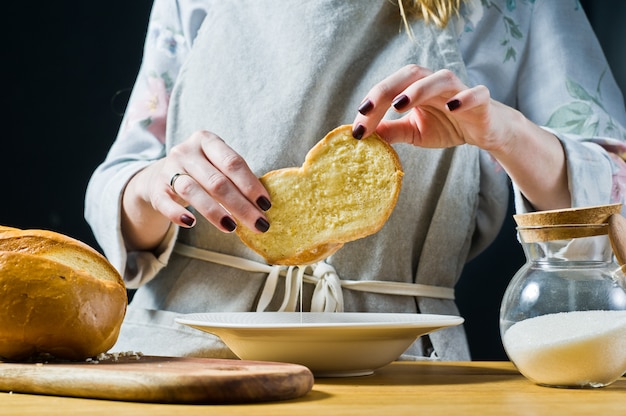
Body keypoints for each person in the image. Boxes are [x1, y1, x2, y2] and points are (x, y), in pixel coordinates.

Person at [86, 0, 626, 360]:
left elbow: (615, 205)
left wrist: (507, 134)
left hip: (398, 368)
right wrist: (159, 186)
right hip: (179, 354)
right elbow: (120, 183)